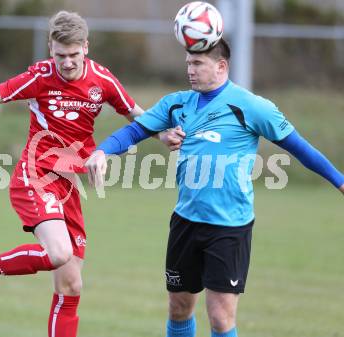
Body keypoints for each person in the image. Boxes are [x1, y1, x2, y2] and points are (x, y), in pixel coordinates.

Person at [0, 11, 180, 337]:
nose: (66, 63)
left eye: (73, 55)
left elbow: (135, 113)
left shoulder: (102, 81)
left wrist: (163, 134)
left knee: (71, 285)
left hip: (67, 185)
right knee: (58, 253)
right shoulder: (40, 76)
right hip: (35, 173)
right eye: (59, 55)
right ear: (50, 49)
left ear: (86, 47)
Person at [85, 38, 344, 337]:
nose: (190, 70)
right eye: (188, 64)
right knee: (179, 307)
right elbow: (135, 130)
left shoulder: (252, 106)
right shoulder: (177, 103)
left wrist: (339, 180)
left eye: (197, 64)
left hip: (229, 226)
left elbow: (301, 149)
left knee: (220, 317)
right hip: (186, 221)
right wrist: (102, 151)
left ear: (221, 66)